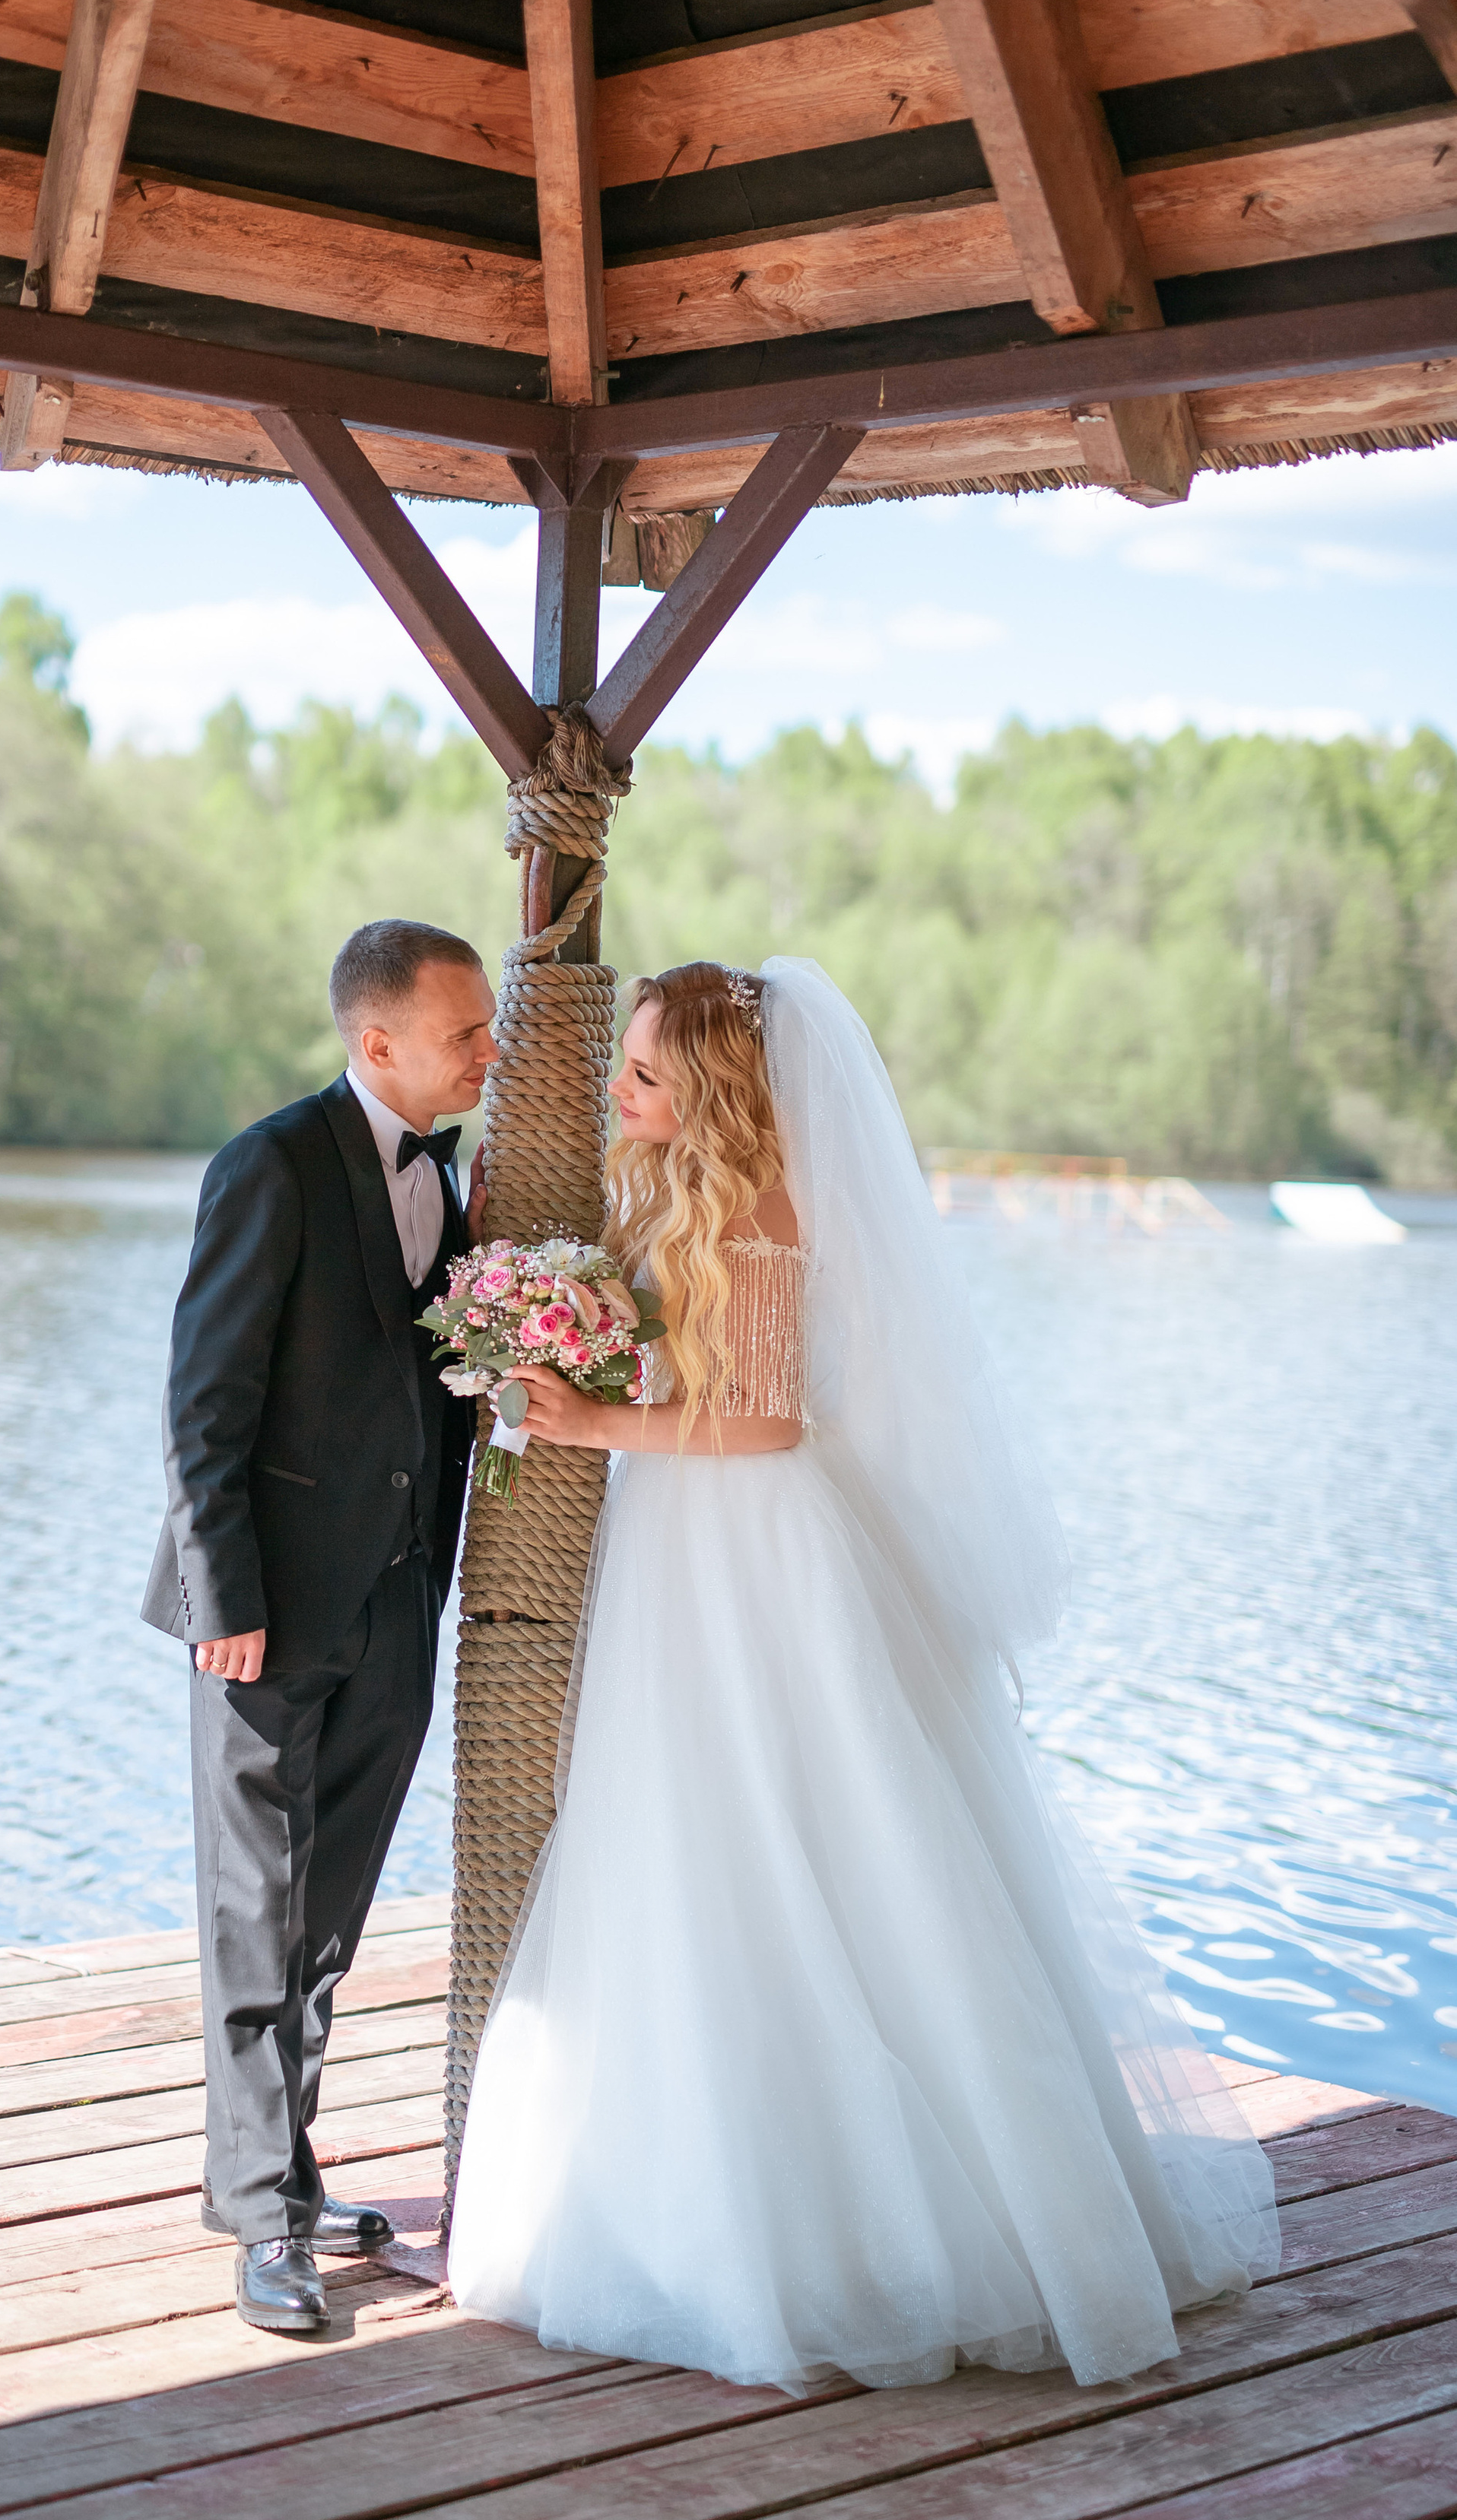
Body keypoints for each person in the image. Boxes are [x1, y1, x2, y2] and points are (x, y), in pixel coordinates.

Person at [448, 957, 1280, 2391]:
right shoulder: (671, 1190)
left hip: (754, 1555)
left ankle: (870, 2238)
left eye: (646, 1070)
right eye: (626, 1064)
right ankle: (673, 2192)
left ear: (714, 1089)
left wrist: (587, 1420)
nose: (621, 1088)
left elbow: (763, 1428)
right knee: (684, 1849)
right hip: (680, 1549)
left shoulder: (763, 1215)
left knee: (803, 1839)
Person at [146, 919, 494, 2334]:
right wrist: (221, 1601)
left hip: (397, 1606)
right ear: (378, 1041)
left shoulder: (456, 1176)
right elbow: (202, 1399)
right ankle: (268, 2223)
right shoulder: (273, 1166)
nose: (490, 1050)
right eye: (467, 1030)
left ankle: (271, 2166)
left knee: (331, 1916)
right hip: (267, 1615)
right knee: (256, 1912)